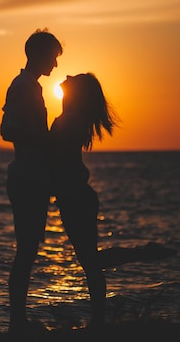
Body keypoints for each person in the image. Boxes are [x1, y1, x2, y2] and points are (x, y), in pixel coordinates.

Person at [0, 28, 63, 334]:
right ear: (38, 55)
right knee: (25, 251)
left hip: (33, 177)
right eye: (52, 57)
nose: (55, 64)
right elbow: (7, 129)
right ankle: (17, 324)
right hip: (26, 177)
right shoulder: (23, 86)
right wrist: (42, 138)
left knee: (27, 251)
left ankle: (19, 321)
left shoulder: (31, 87)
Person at [49, 73, 119, 330]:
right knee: (90, 261)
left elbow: (60, 159)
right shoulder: (70, 117)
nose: (66, 76)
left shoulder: (72, 120)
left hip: (76, 198)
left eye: (73, 78)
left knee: (90, 262)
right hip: (74, 196)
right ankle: (98, 321)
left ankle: (98, 322)